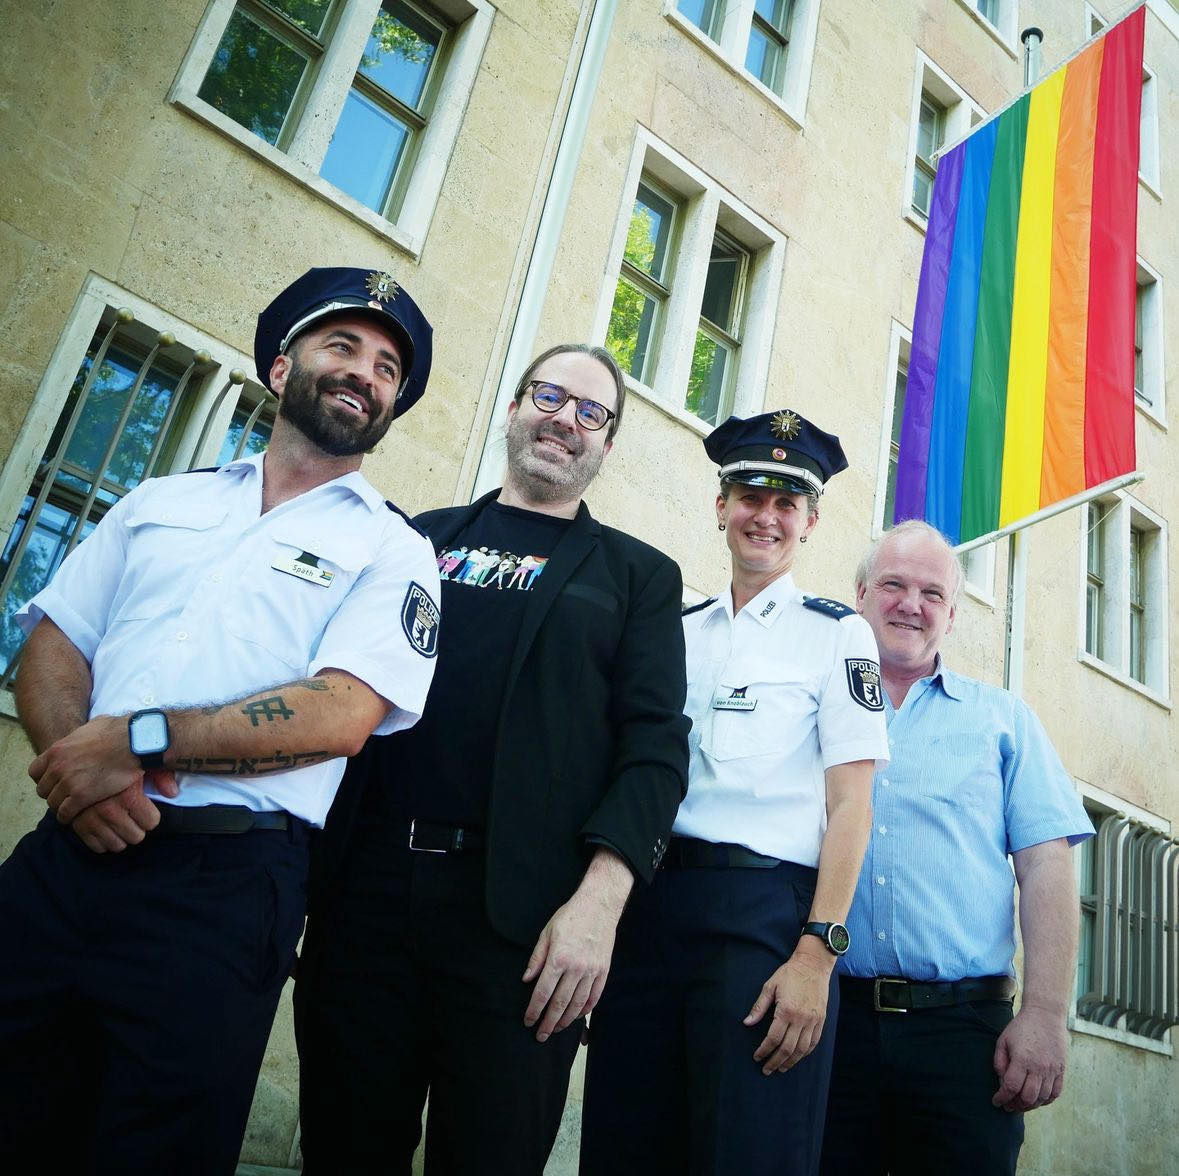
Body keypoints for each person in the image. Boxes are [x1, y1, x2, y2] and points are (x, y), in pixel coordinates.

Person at [0, 267, 440, 1175]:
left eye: (389, 367)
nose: (365, 372)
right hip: (62, 860)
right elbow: (54, 641)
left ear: (391, 408)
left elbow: (343, 712)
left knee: (154, 1151)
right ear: (282, 369)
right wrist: (78, 777)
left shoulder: (394, 549)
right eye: (343, 346)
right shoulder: (162, 501)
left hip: (224, 888)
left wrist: (136, 740)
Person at [295, 343, 691, 1174]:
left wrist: (599, 906)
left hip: (527, 933)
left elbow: (654, 752)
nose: (566, 420)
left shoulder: (638, 577)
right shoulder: (413, 541)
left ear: (607, 445)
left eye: (592, 412)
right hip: (364, 908)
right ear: (515, 406)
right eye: (551, 396)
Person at [581, 409, 890, 1176]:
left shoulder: (837, 635)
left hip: (761, 922)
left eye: (787, 503)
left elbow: (850, 805)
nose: (766, 516)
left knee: (746, 1152)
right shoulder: (671, 629)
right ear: (722, 507)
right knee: (626, 1144)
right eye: (750, 495)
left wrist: (816, 954)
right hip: (649, 912)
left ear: (810, 522)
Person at [820, 520, 1093, 1176]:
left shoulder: (1003, 721)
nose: (910, 604)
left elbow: (1045, 866)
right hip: (830, 1025)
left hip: (963, 1036)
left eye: (931, 593)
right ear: (859, 595)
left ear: (952, 614)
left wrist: (1046, 1013)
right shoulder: (816, 705)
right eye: (892, 584)